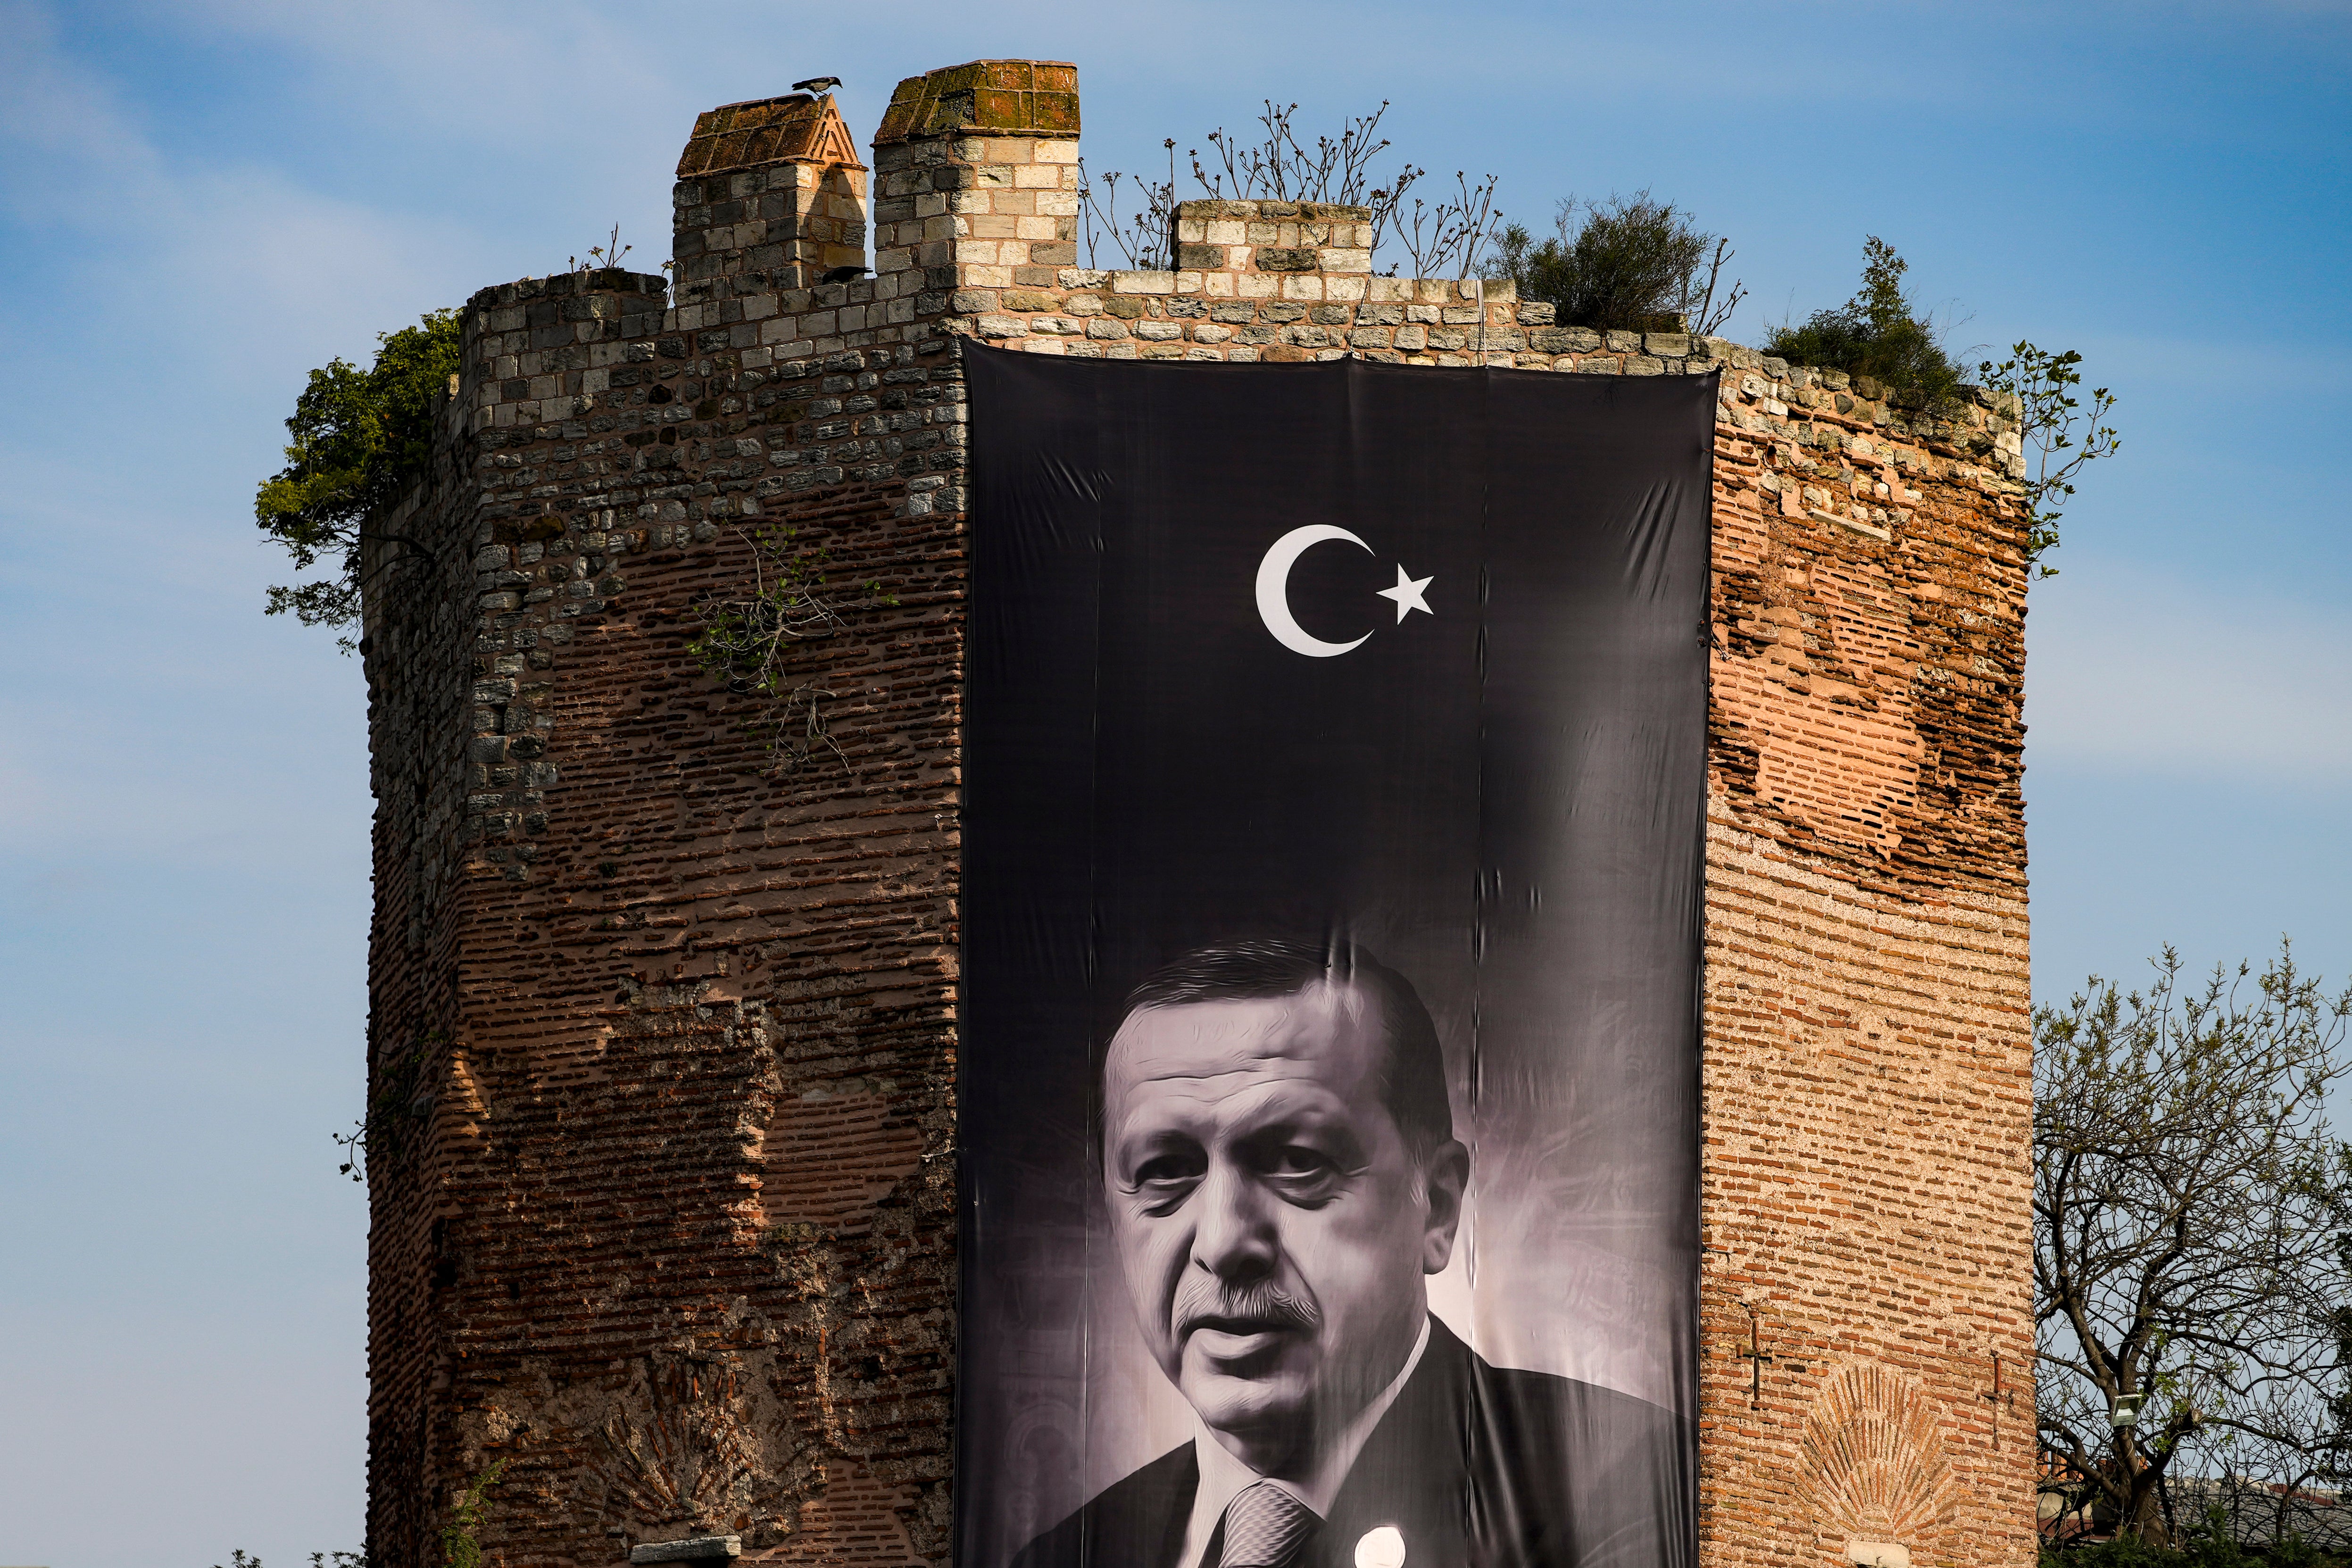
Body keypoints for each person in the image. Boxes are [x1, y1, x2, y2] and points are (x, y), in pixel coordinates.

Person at [1011, 939, 1687, 1568]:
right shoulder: (1060, 1555)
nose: (1222, 1243)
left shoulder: (1624, 1492)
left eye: (1298, 1161)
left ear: (1440, 1207)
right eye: (1164, 1171)